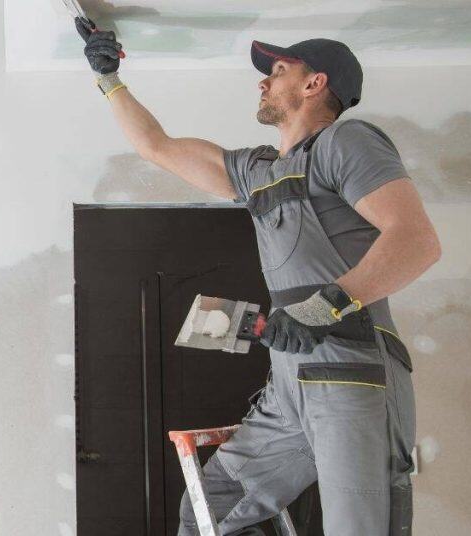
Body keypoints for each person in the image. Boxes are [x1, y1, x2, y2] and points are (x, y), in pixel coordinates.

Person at [77, 18, 441, 536]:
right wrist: (108, 77)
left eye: (278, 70)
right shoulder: (259, 171)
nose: (263, 81)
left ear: (315, 84)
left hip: (350, 369)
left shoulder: (346, 142)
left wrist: (324, 306)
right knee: (211, 507)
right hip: (290, 380)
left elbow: (417, 242)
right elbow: (156, 146)